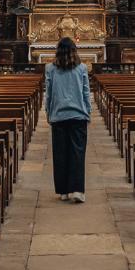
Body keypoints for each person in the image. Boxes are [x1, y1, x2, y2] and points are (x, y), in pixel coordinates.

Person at [45, 37, 91, 203]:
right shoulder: (82, 68)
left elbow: (48, 94)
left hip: (58, 116)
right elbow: (86, 92)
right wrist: (88, 111)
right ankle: (77, 190)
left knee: (60, 154)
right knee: (77, 153)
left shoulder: (50, 69)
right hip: (78, 115)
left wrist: (48, 113)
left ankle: (63, 191)